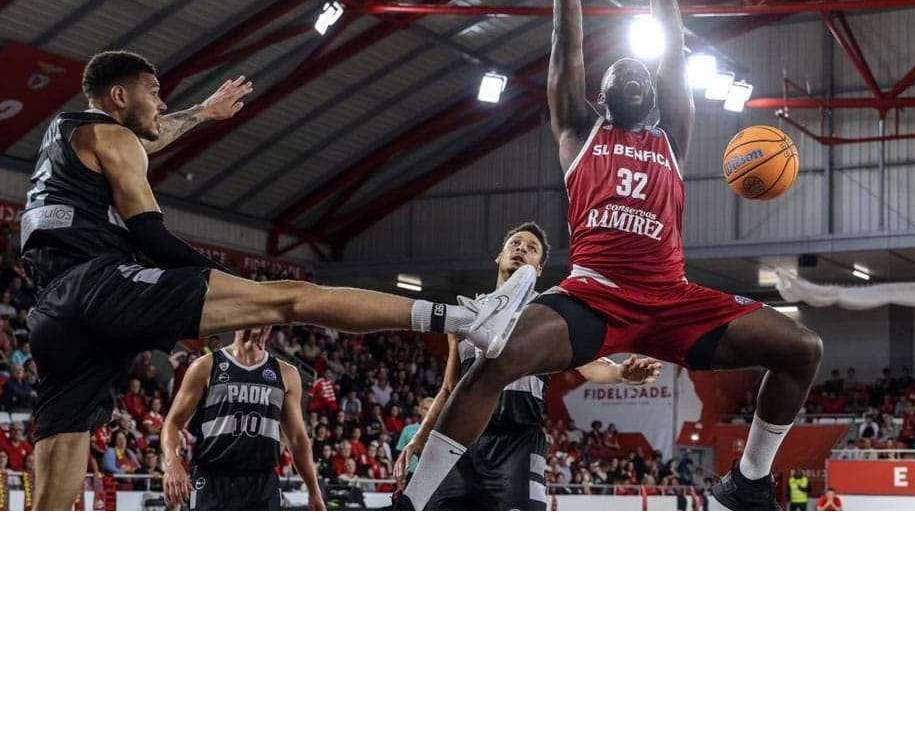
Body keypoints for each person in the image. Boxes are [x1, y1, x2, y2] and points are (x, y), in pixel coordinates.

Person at [398, 0, 823, 512]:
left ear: (653, 96)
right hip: (594, 298)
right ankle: (408, 504)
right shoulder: (579, 133)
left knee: (802, 349)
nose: (635, 76)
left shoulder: (671, 136)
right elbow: (564, 47)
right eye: (621, 73)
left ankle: (748, 479)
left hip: (672, 301)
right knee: (495, 360)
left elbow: (672, 51)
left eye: (642, 76)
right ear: (599, 97)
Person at [19, 51, 536, 508]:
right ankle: (464, 316)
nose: (160, 102)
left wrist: (202, 113)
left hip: (52, 312)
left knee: (62, 456)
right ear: (118, 95)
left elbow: (149, 138)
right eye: (153, 93)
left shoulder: (66, 134)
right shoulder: (114, 136)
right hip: (100, 285)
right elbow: (152, 237)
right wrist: (238, 284)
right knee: (292, 299)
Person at [397, 222, 661, 510]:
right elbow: (449, 389)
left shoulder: (550, 317)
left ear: (538, 270)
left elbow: (590, 366)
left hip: (518, 444)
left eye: (532, 249)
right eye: (515, 244)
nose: (521, 249)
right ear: (499, 256)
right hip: (461, 444)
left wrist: (621, 373)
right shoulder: (465, 316)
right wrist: (419, 440)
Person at [161, 325, 324, 511]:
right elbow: (173, 423)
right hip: (213, 480)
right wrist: (171, 462)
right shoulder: (206, 365)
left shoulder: (286, 373)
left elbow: (297, 439)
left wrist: (314, 489)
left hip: (262, 483)